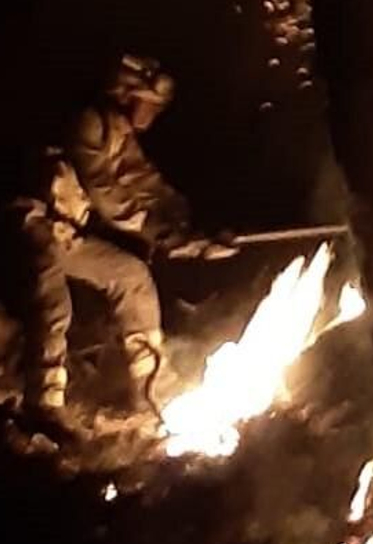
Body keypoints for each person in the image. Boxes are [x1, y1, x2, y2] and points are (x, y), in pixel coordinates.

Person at [13, 55, 233, 427]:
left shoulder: (118, 132)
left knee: (131, 279)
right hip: (31, 222)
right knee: (53, 303)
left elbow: (144, 182)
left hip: (64, 234)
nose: (152, 113)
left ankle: (156, 389)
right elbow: (106, 193)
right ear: (127, 93)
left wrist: (191, 227)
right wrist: (165, 235)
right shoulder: (87, 122)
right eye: (148, 102)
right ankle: (43, 407)